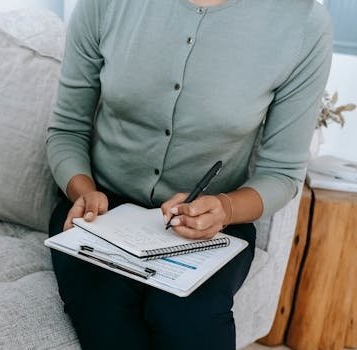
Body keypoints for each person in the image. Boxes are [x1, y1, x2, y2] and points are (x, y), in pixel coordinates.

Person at [47, 0, 332, 349]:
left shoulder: (302, 23)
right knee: (107, 319)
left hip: (212, 225)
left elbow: (282, 173)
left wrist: (225, 209)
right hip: (100, 214)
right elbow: (66, 130)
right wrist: (82, 191)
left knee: (188, 320)